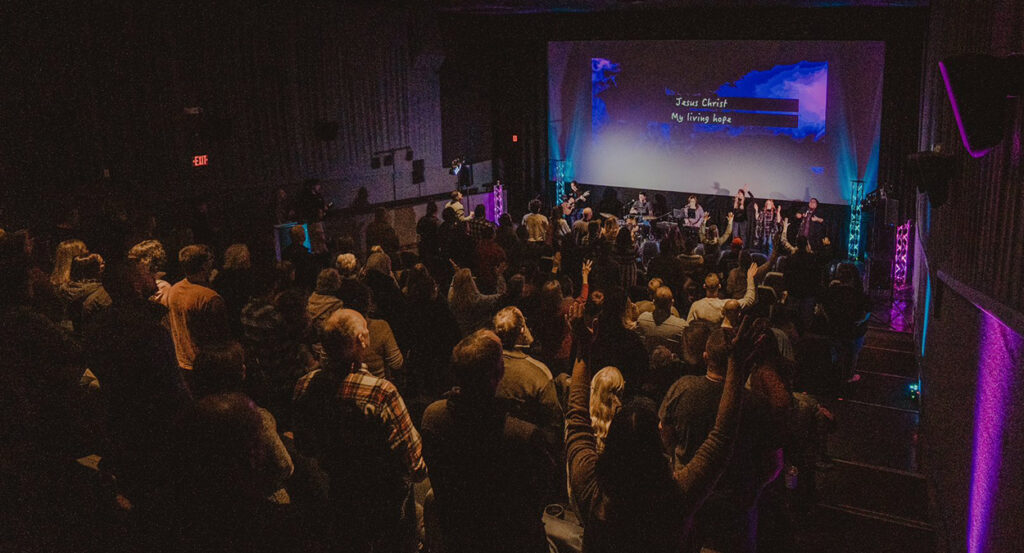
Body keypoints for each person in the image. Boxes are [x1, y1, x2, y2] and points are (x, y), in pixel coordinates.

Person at [565, 302, 756, 553]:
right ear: (655, 447)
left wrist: (582, 349)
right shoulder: (676, 499)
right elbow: (720, 439)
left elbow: (578, 418)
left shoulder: (591, 487)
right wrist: (735, 365)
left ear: (612, 443)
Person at [292, 309, 426, 553]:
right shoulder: (381, 393)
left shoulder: (304, 386)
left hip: (339, 489)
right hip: (386, 498)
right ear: (361, 341)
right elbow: (413, 460)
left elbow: (303, 444)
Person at [420, 330, 555, 553]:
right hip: (512, 541)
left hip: (458, 535)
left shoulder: (432, 418)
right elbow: (538, 497)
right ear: (499, 372)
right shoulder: (523, 437)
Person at [659, 328, 783, 553]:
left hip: (690, 497)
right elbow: (774, 464)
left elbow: (664, 432)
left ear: (706, 357)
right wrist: (752, 490)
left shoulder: (683, 387)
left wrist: (681, 466)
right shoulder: (757, 405)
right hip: (736, 504)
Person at [492, 306, 564, 445]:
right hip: (528, 447)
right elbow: (554, 425)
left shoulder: (486, 366)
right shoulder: (538, 373)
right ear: (522, 330)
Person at [164, 245, 230, 374]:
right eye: (211, 259)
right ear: (205, 265)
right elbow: (222, 338)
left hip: (182, 362)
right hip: (208, 366)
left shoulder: (174, 289)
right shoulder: (210, 298)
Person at [685, 261, 758, 325]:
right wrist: (750, 278)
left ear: (704, 286)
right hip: (719, 339)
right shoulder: (726, 305)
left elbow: (688, 327)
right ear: (719, 286)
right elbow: (749, 300)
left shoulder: (696, 306)